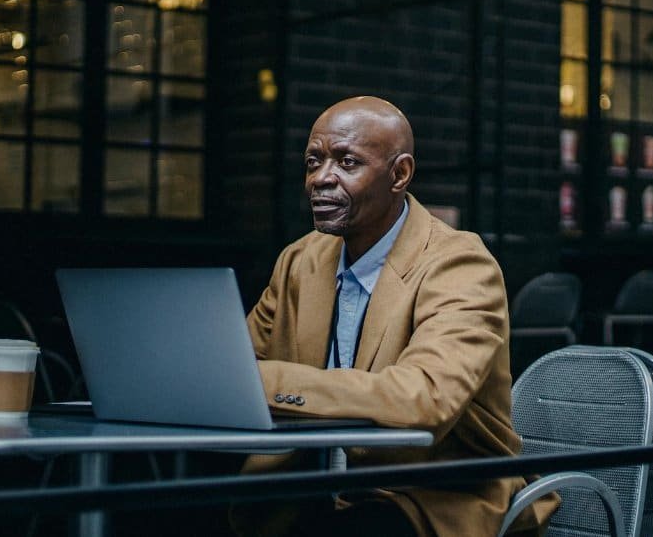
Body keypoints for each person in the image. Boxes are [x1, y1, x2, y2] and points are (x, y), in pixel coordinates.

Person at [234, 96, 557, 537]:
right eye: (314, 161)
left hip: (431, 496)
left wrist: (261, 382)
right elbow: (232, 368)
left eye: (347, 162)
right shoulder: (299, 260)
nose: (321, 179)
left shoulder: (459, 265)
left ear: (399, 174)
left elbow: (423, 397)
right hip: (305, 489)